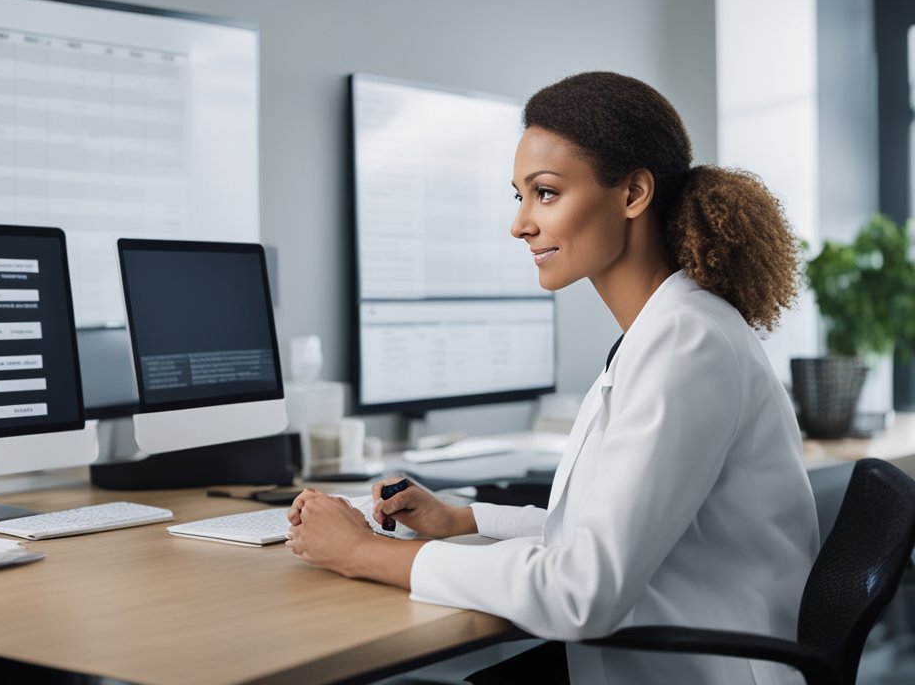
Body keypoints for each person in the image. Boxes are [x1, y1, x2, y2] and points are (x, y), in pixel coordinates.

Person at [285, 71, 820, 684]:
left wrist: (364, 553)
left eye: (545, 193)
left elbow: (580, 592)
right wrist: (463, 519)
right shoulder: (669, 329)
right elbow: (599, 531)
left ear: (633, 194)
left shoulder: (687, 344)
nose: (520, 224)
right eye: (520, 196)